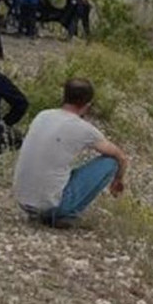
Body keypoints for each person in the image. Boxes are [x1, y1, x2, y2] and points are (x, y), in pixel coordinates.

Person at [13, 79, 128, 228]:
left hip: (22, 200)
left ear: (64, 96)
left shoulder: (43, 115)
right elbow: (120, 156)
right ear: (87, 105)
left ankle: (42, 210)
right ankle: (67, 215)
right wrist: (118, 179)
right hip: (51, 207)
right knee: (110, 163)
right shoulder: (84, 129)